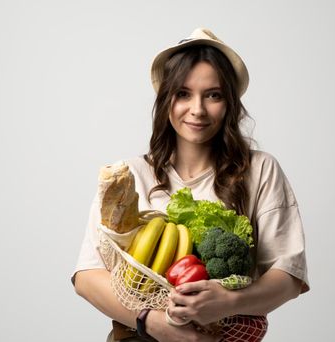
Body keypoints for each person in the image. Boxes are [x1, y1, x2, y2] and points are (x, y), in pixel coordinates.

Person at [72, 28, 310, 342]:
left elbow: (289, 275)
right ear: (166, 98)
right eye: (183, 93)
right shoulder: (129, 175)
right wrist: (153, 322)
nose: (197, 109)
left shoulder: (260, 170)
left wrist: (228, 302)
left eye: (213, 95)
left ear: (229, 104)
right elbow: (87, 276)